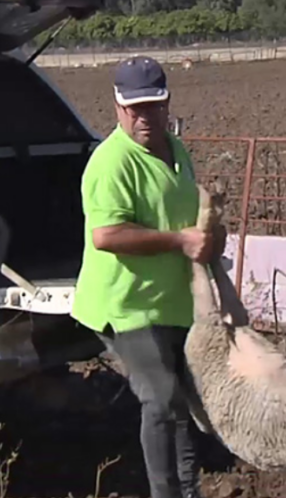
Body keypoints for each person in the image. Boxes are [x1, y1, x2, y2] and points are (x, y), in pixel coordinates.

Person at [71, 55, 212, 498]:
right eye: (135, 109)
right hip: (127, 303)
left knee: (186, 402)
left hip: (173, 300)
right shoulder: (111, 163)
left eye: (153, 106)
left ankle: (188, 491)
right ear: (117, 106)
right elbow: (107, 235)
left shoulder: (177, 150)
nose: (144, 117)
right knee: (161, 400)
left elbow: (187, 213)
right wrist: (179, 241)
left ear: (167, 102)